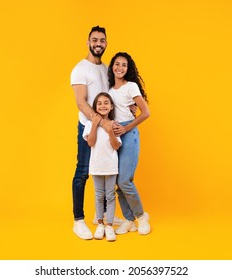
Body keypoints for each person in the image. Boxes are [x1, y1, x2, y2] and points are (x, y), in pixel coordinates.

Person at [70, 26, 123, 240]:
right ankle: (78, 220)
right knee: (83, 171)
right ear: (88, 42)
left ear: (106, 43)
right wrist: (100, 123)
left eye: (102, 40)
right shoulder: (80, 69)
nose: (98, 43)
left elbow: (111, 97)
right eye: (94, 40)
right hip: (88, 128)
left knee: (107, 169)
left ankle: (100, 215)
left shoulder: (106, 68)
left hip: (106, 127)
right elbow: (81, 102)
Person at [108, 52, 151, 235]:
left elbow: (145, 112)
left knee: (125, 180)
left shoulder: (131, 86)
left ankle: (141, 217)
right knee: (117, 181)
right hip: (114, 134)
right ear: (112, 67)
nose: (120, 68)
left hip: (128, 132)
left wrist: (126, 128)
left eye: (124, 65)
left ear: (128, 69)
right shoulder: (109, 90)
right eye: (117, 64)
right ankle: (128, 219)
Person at [83, 92, 121, 241]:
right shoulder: (88, 124)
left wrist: (110, 131)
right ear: (95, 107)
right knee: (99, 196)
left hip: (111, 166)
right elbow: (91, 142)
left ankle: (109, 225)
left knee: (110, 196)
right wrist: (94, 125)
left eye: (106, 103)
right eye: (99, 103)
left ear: (111, 106)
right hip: (97, 165)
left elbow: (116, 146)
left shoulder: (114, 124)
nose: (103, 105)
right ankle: (100, 223)